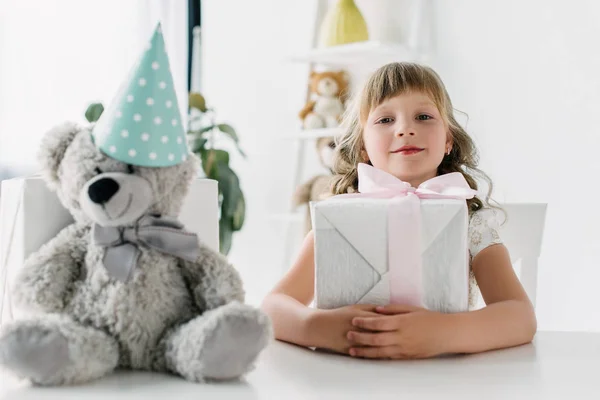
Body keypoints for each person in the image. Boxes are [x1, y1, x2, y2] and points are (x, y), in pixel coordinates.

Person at [261, 62, 536, 359]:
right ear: (363, 147)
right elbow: (273, 307)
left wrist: (443, 333)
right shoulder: (338, 221)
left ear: (448, 140)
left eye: (423, 116)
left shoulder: (472, 223)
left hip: (445, 380)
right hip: (346, 380)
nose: (405, 129)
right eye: (385, 120)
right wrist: (319, 326)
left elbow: (520, 316)